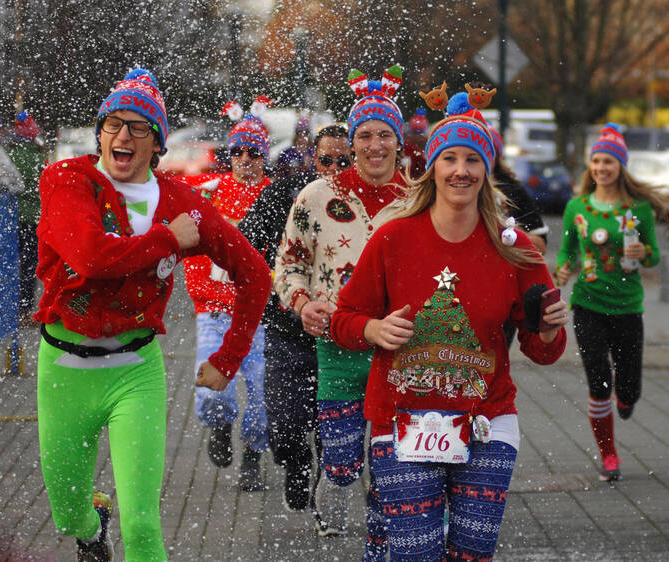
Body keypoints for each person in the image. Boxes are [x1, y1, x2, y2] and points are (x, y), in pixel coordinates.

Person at [34, 68, 270, 561]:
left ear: (157, 143)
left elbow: (255, 275)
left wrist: (229, 358)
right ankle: (90, 523)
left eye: (139, 127)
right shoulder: (66, 178)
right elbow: (91, 256)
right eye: (113, 124)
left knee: (142, 528)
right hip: (62, 370)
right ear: (99, 133)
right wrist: (168, 240)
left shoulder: (185, 203)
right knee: (66, 514)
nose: (123, 135)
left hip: (136, 372)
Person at [329, 87, 568, 561]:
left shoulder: (513, 245)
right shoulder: (394, 237)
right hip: (402, 417)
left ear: (487, 170)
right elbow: (342, 321)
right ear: (432, 167)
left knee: (472, 554)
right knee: (415, 553)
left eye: (473, 160)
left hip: (487, 419)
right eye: (450, 158)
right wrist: (373, 330)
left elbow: (544, 351)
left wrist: (547, 331)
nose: (461, 170)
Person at [274, 65, 406, 559]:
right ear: (352, 142)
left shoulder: (418, 198)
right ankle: (334, 483)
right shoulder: (317, 196)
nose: (375, 145)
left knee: (390, 468)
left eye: (384, 135)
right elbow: (286, 267)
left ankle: (379, 544)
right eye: (365, 135)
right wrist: (303, 304)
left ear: (398, 141)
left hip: (398, 351)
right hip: (337, 348)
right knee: (344, 462)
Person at [240, 124, 352, 532]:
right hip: (287, 331)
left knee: (330, 429)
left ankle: (325, 495)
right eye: (327, 160)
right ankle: (295, 463)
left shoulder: (360, 201)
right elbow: (247, 242)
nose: (335, 168)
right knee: (284, 424)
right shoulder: (288, 194)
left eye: (344, 160)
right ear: (313, 158)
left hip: (339, 337)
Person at [556, 123, 664, 482]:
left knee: (629, 389)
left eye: (609, 162)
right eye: (597, 161)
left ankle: (627, 397)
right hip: (587, 304)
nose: (602, 168)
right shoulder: (577, 207)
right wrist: (562, 270)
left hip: (628, 306)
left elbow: (653, 259)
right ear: (591, 166)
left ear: (621, 166)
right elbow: (568, 250)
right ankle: (609, 456)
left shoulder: (639, 210)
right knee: (599, 381)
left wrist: (643, 251)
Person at [182, 103, 272, 491]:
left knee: (264, 394)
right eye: (237, 151)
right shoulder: (208, 192)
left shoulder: (277, 196)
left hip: (261, 314)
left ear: (264, 156)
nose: (245, 159)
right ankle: (219, 427)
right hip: (214, 311)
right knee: (210, 389)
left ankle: (253, 452)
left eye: (253, 152)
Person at [7, 110, 47, 326]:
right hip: (34, 220)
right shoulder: (41, 157)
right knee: (29, 265)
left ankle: (7, 310)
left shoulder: (9, 155)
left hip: (11, 218)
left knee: (10, 263)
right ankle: (24, 310)